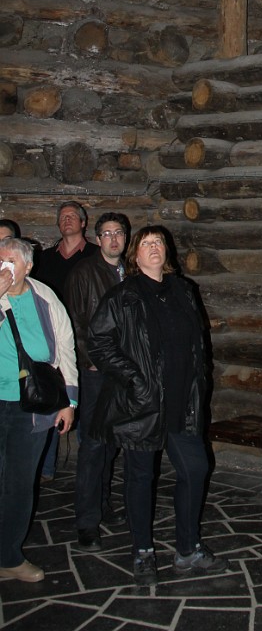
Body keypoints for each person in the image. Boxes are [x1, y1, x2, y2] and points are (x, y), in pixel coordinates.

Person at [88, 225, 227, 586]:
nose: (154, 247)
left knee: (195, 470)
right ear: (135, 255)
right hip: (143, 404)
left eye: (159, 242)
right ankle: (143, 551)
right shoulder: (123, 295)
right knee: (140, 477)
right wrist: (134, 379)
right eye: (146, 243)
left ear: (167, 252)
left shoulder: (183, 290)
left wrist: (199, 378)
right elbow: (98, 341)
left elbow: (198, 341)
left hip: (182, 401)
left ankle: (187, 549)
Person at [0, 237, 78, 583]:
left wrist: (69, 402)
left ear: (28, 266)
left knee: (19, 482)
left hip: (31, 406)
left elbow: (66, 349)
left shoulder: (45, 297)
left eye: (10, 261)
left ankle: (8, 557)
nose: (3, 267)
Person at [63, 212, 130, 552]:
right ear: (97, 238)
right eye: (107, 233)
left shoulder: (130, 273)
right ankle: (87, 521)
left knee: (111, 441)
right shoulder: (83, 273)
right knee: (92, 444)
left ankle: (103, 503)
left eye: (118, 233)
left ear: (125, 237)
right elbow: (75, 324)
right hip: (96, 372)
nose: (113, 239)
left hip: (125, 372)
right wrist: (90, 363)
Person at [34, 201, 97, 482]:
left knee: (86, 403)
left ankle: (88, 469)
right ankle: (46, 467)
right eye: (62, 217)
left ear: (83, 223)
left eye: (72, 216)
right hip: (52, 341)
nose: (67, 220)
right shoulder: (45, 259)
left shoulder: (95, 256)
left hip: (87, 343)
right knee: (50, 401)